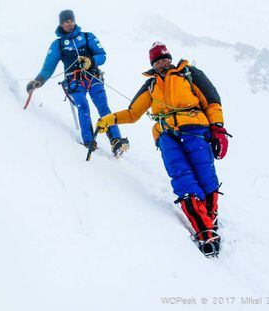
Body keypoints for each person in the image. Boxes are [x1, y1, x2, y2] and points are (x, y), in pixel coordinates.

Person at [96, 42, 231, 257]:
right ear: (153, 64)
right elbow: (133, 113)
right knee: (182, 178)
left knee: (205, 176)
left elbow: (213, 101)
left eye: (164, 58)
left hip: (196, 128)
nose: (162, 63)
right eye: (157, 60)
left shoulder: (189, 73)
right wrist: (110, 120)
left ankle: (209, 217)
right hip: (166, 135)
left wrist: (218, 128)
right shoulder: (151, 85)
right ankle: (205, 231)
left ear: (170, 57)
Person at [26, 9, 128, 156]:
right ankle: (89, 141)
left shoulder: (87, 37)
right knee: (83, 106)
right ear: (61, 24)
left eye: (71, 20)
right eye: (66, 21)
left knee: (103, 107)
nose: (70, 24)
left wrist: (90, 61)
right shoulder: (58, 45)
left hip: (92, 76)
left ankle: (116, 141)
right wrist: (38, 81)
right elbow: (48, 67)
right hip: (74, 81)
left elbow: (102, 56)